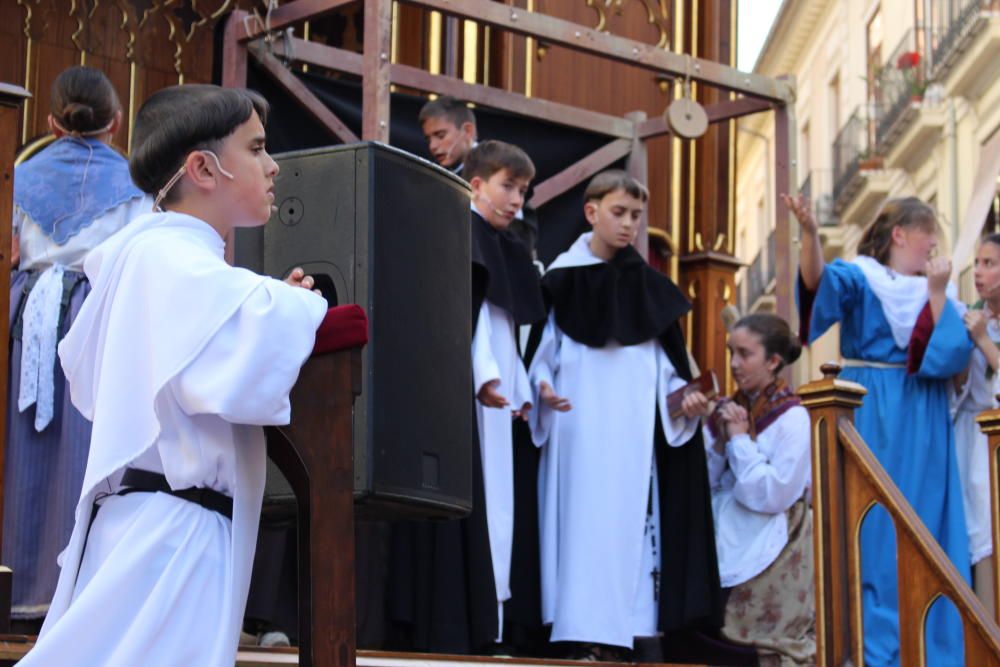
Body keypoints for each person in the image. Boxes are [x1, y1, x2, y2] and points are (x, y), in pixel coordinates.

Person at [17, 84, 367, 666]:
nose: (273, 165)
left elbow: (227, 322)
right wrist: (298, 303)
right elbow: (237, 347)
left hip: (162, 528)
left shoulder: (159, 258)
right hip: (171, 540)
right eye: (256, 149)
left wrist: (271, 300)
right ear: (204, 167)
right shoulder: (167, 257)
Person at [528, 170, 723, 661]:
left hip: (633, 441)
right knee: (578, 534)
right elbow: (540, 356)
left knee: (632, 533)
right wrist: (542, 387)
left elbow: (667, 370)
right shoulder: (560, 280)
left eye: (636, 216)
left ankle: (626, 639)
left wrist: (686, 399)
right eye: (619, 213)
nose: (630, 225)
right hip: (576, 435)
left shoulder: (650, 290)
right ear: (592, 212)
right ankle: (581, 637)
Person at [789, 193, 970, 667]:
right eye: (927, 236)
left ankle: (934, 650)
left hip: (924, 417)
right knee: (874, 530)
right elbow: (816, 285)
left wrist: (935, 294)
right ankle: (876, 649)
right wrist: (809, 233)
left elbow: (950, 356)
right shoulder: (862, 277)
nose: (934, 247)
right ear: (899, 235)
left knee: (928, 524)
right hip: (871, 408)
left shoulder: (941, 290)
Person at [3, 66, 148, 629]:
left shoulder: (17, 173)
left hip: (24, 325)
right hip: (98, 322)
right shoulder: (139, 183)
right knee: (87, 450)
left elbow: (11, 251)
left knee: (23, 452)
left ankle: (15, 588)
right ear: (116, 122)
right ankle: (81, 596)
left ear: (49, 122)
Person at [387, 140, 545, 655]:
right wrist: (484, 376)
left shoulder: (509, 248)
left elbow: (505, 327)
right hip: (464, 400)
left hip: (495, 404)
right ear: (475, 185)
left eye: (523, 190)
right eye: (508, 186)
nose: (517, 199)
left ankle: (491, 623)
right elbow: (465, 320)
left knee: (499, 513)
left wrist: (519, 387)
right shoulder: (457, 234)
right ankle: (464, 625)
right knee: (476, 509)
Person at [689, 313, 814, 666]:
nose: (733, 364)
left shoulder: (793, 418)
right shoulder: (729, 409)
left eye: (745, 354)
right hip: (723, 527)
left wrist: (741, 442)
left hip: (771, 533)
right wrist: (716, 441)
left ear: (773, 361)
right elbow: (706, 483)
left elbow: (772, 496)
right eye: (732, 352)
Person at [418, 97, 538, 257]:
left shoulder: (500, 163)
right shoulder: (439, 177)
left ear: (467, 131)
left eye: (440, 136)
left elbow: (521, 236)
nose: (433, 146)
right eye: (429, 139)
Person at [951, 234, 1000, 615]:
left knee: (989, 529)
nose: (979, 273)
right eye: (978, 264)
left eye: (989, 264)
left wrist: (983, 340)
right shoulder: (969, 316)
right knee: (968, 531)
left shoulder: (982, 329)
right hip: (966, 437)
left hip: (993, 440)